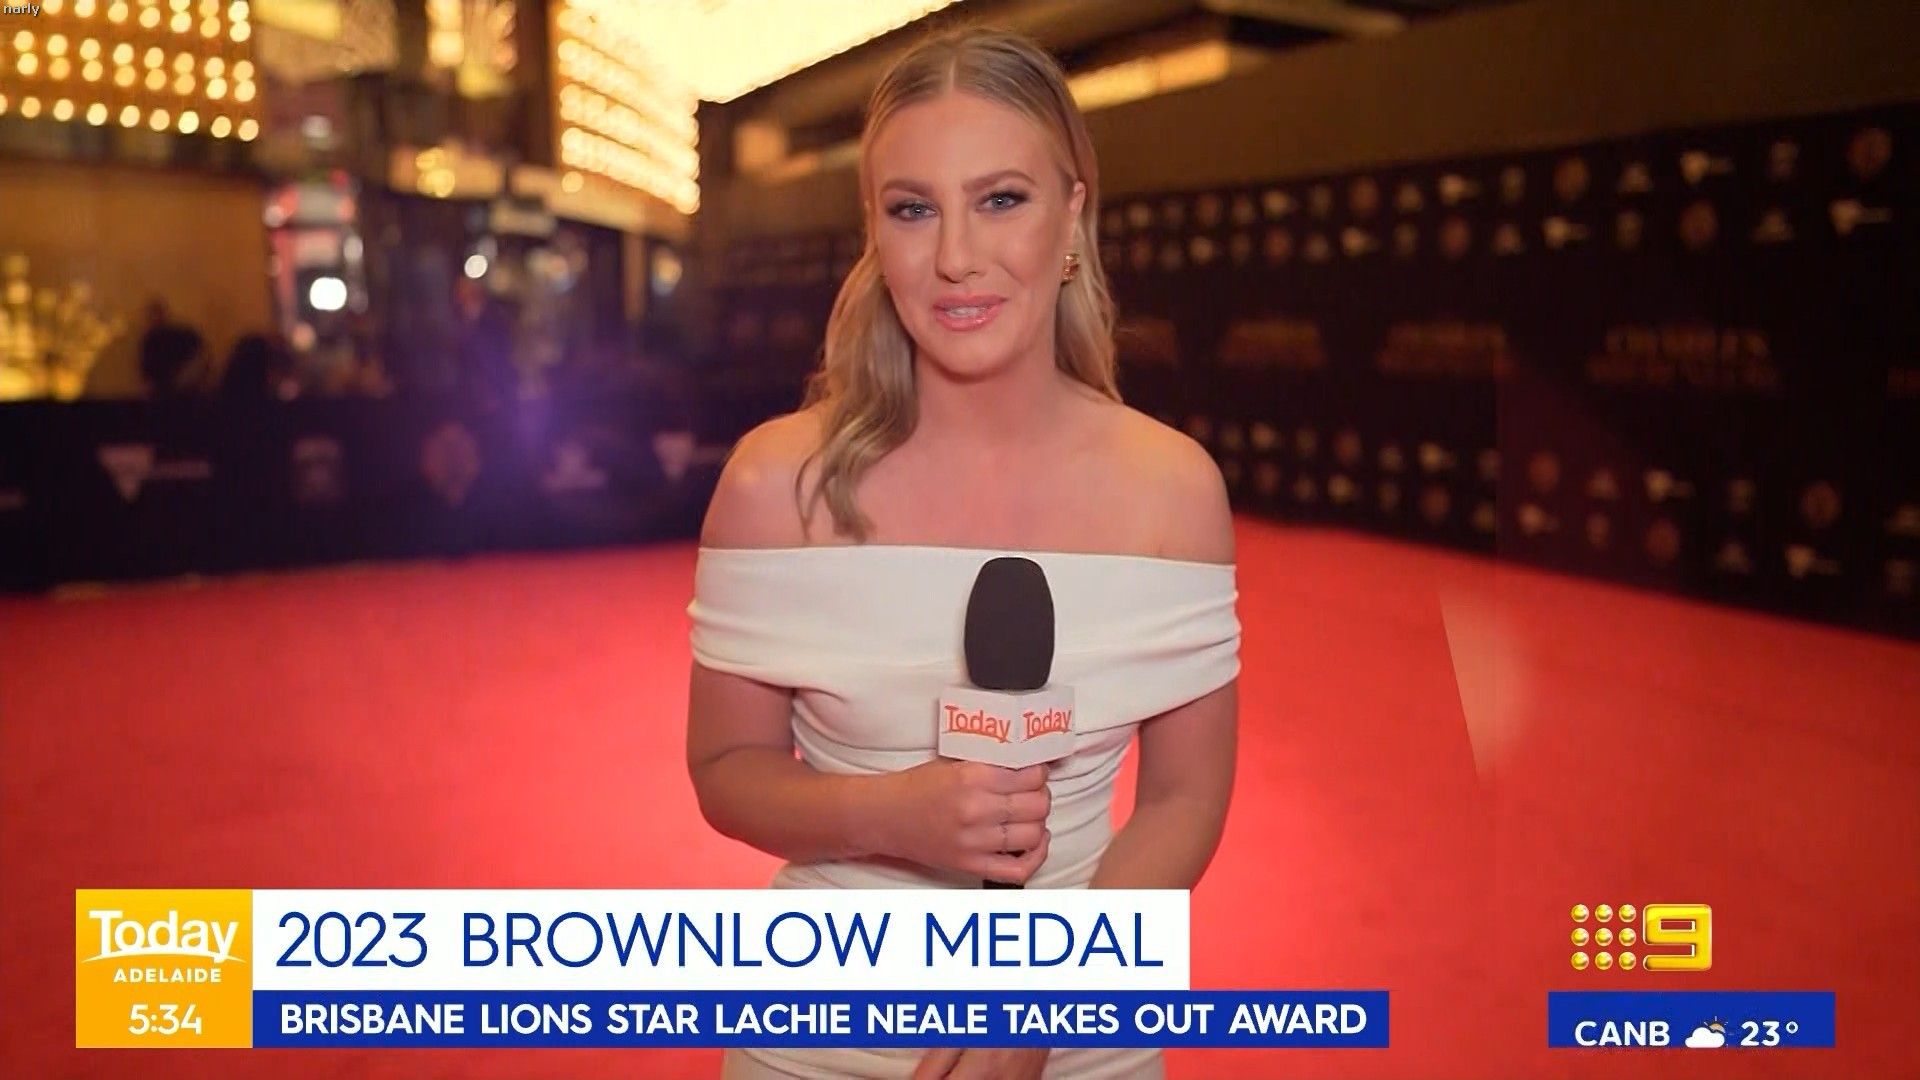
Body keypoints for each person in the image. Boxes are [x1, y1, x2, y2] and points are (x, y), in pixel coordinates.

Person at [686, 27, 1240, 1080]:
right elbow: (724, 771)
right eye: (912, 209)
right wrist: (892, 814)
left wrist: (1048, 1007)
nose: (954, 257)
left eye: (1000, 199)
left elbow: (1185, 799)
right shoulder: (774, 485)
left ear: (1072, 214)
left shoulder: (1174, 491)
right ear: (873, 230)